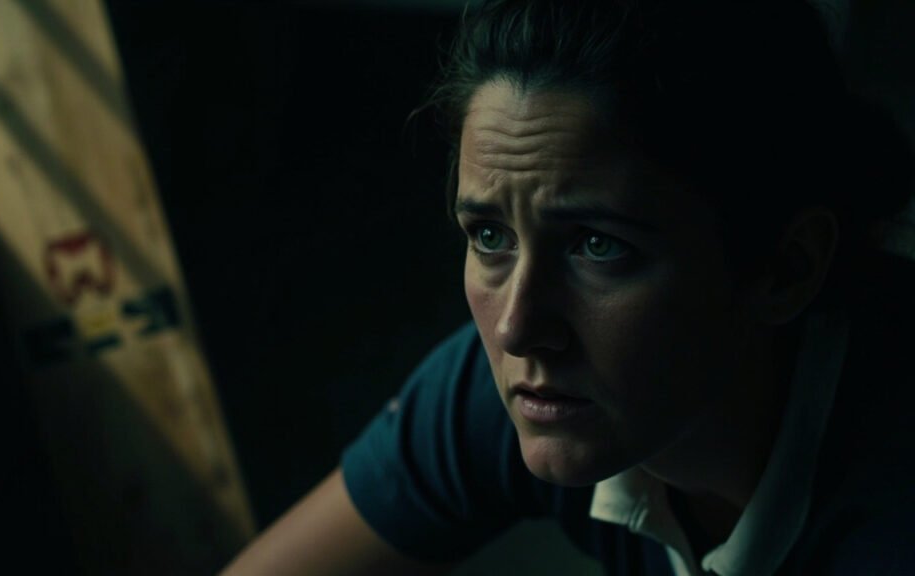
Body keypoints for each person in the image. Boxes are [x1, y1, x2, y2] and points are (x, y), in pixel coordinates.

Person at [222, 0, 915, 574]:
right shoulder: (528, 390)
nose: (516, 326)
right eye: (490, 236)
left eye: (597, 247)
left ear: (785, 267)